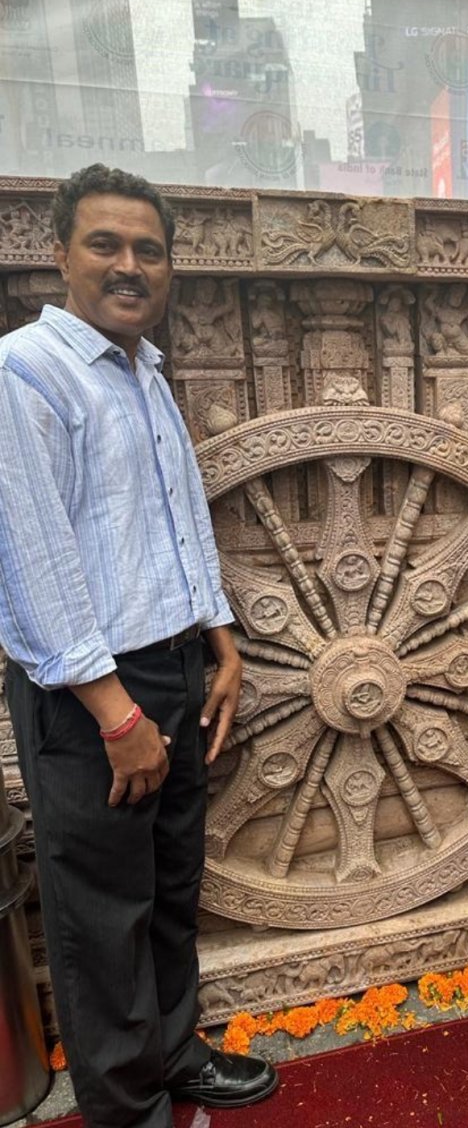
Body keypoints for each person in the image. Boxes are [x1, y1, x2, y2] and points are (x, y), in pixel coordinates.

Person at [0, 164, 277, 1128]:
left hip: (174, 665)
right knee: (100, 907)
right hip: (90, 691)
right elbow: (31, 560)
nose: (129, 266)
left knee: (167, 883)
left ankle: (172, 1051)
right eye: (105, 245)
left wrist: (220, 638)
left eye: (148, 250)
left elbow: (171, 522)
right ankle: (127, 1107)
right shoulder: (24, 374)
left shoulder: (145, 373)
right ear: (59, 255)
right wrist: (114, 712)